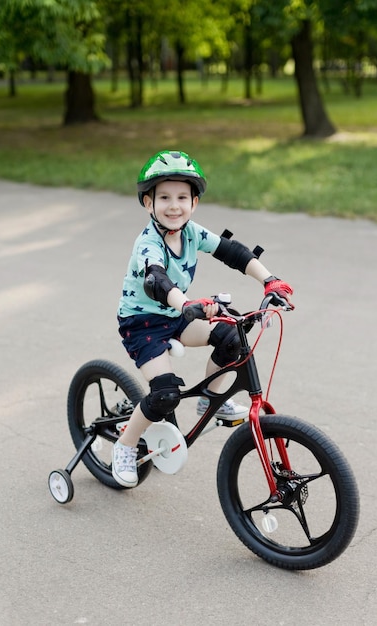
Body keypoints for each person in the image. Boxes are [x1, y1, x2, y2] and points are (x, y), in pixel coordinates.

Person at [112, 150, 294, 487]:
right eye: (163, 197)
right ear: (147, 203)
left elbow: (234, 253)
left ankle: (211, 400)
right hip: (144, 325)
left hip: (177, 315)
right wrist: (187, 304)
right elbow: (156, 279)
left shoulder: (192, 231)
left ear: (194, 203)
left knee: (231, 335)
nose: (174, 205)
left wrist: (270, 280)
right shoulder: (148, 243)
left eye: (182, 197)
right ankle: (124, 446)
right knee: (164, 394)